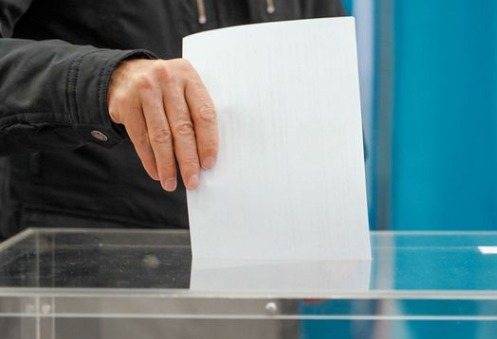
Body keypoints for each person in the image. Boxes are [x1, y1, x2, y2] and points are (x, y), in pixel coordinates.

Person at [0, 0, 345, 239]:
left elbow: (328, 68)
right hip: (92, 261)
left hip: (266, 263)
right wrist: (105, 82)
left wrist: (334, 215)